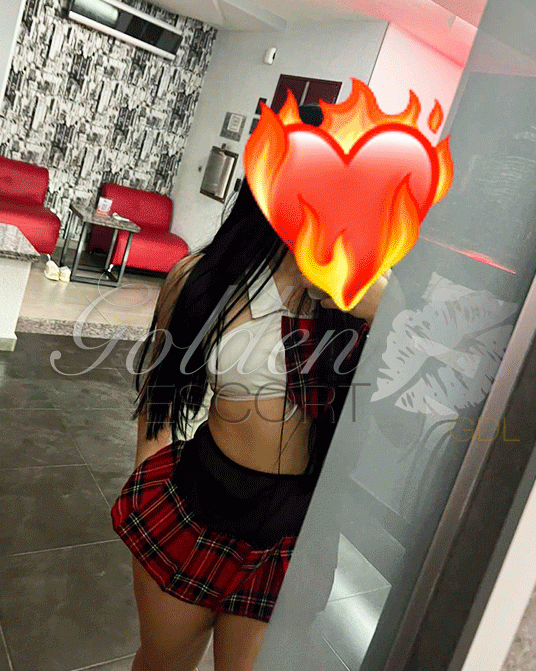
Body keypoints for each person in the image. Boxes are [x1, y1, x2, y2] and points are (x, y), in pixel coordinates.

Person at [111, 104, 389, 671]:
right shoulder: (200, 280)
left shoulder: (361, 291)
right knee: (162, 662)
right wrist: (146, 475)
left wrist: (368, 298)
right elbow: (161, 396)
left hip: (293, 525)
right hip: (198, 498)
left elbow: (410, 387)